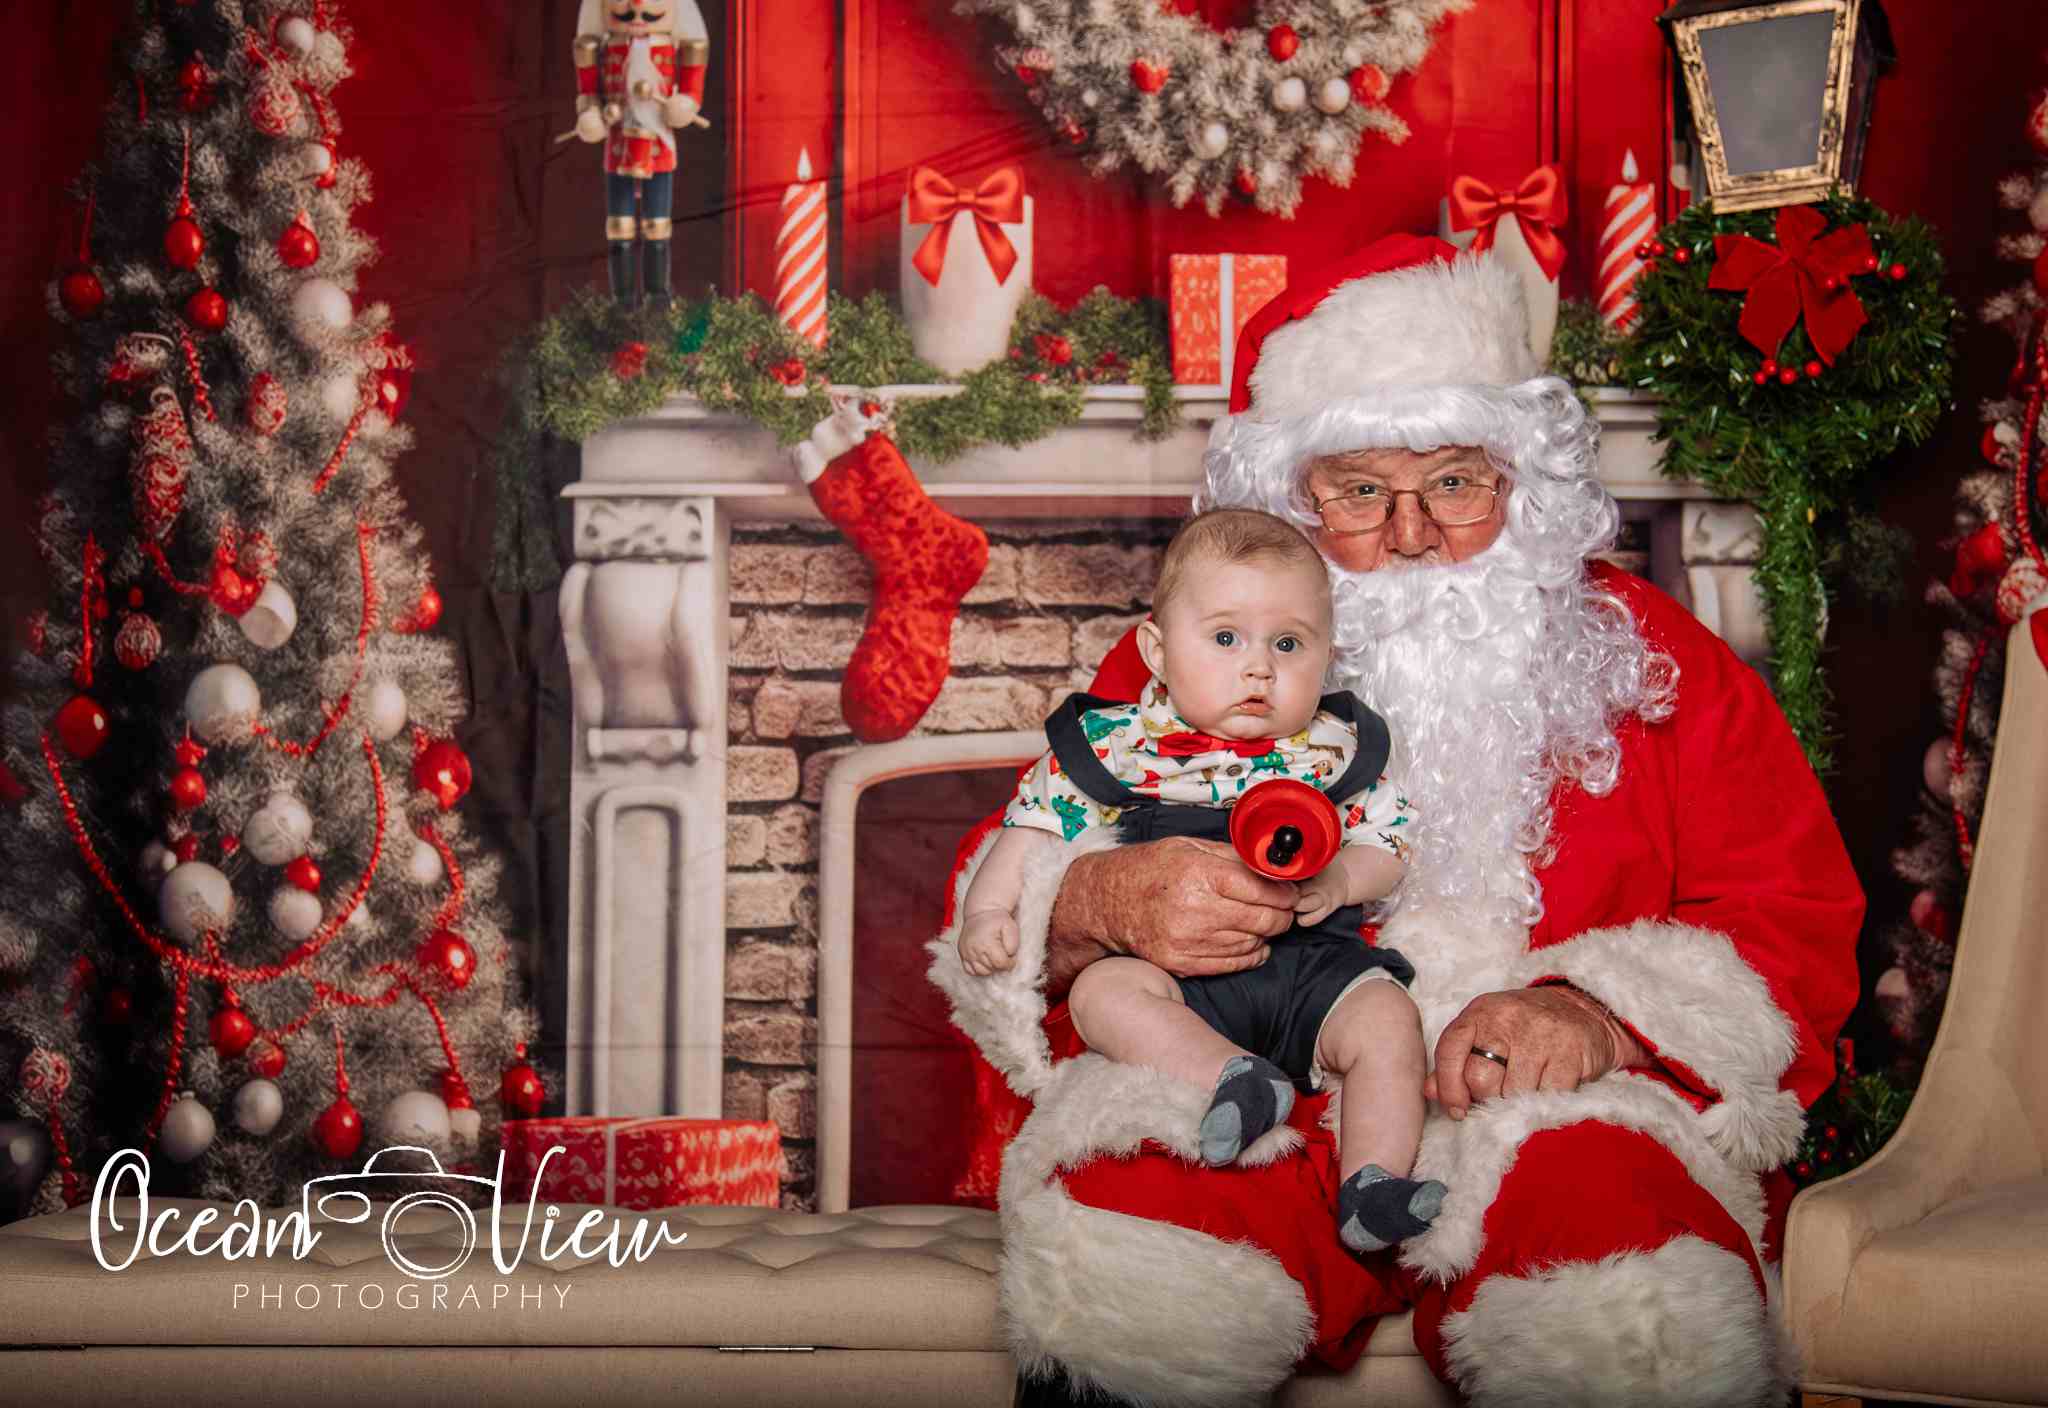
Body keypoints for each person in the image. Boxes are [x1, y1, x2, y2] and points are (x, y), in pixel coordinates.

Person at [926, 236, 1862, 1407]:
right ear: (1289, 499)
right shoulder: (1211, 655)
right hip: (1258, 1070)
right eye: (1361, 491)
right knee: (1137, 1238)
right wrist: (1101, 901)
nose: (1412, 533)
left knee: (1621, 1275)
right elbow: (1006, 878)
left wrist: (1595, 1015)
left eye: (1455, 483)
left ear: (1521, 482)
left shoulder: (1651, 659)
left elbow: (1790, 913)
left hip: (1544, 1107)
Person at [958, 508, 1445, 1253]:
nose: (1259, 668)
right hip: (1176, 982)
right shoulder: (1120, 747)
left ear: (1327, 657)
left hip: (1311, 968)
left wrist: (1344, 877)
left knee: (1387, 1022)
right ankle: (1237, 1079)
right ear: (1156, 649)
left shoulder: (1330, 752)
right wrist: (990, 910)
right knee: (1102, 993)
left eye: (1289, 644)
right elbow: (1032, 827)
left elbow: (1390, 839)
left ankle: (1373, 1187)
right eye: (1225, 638)